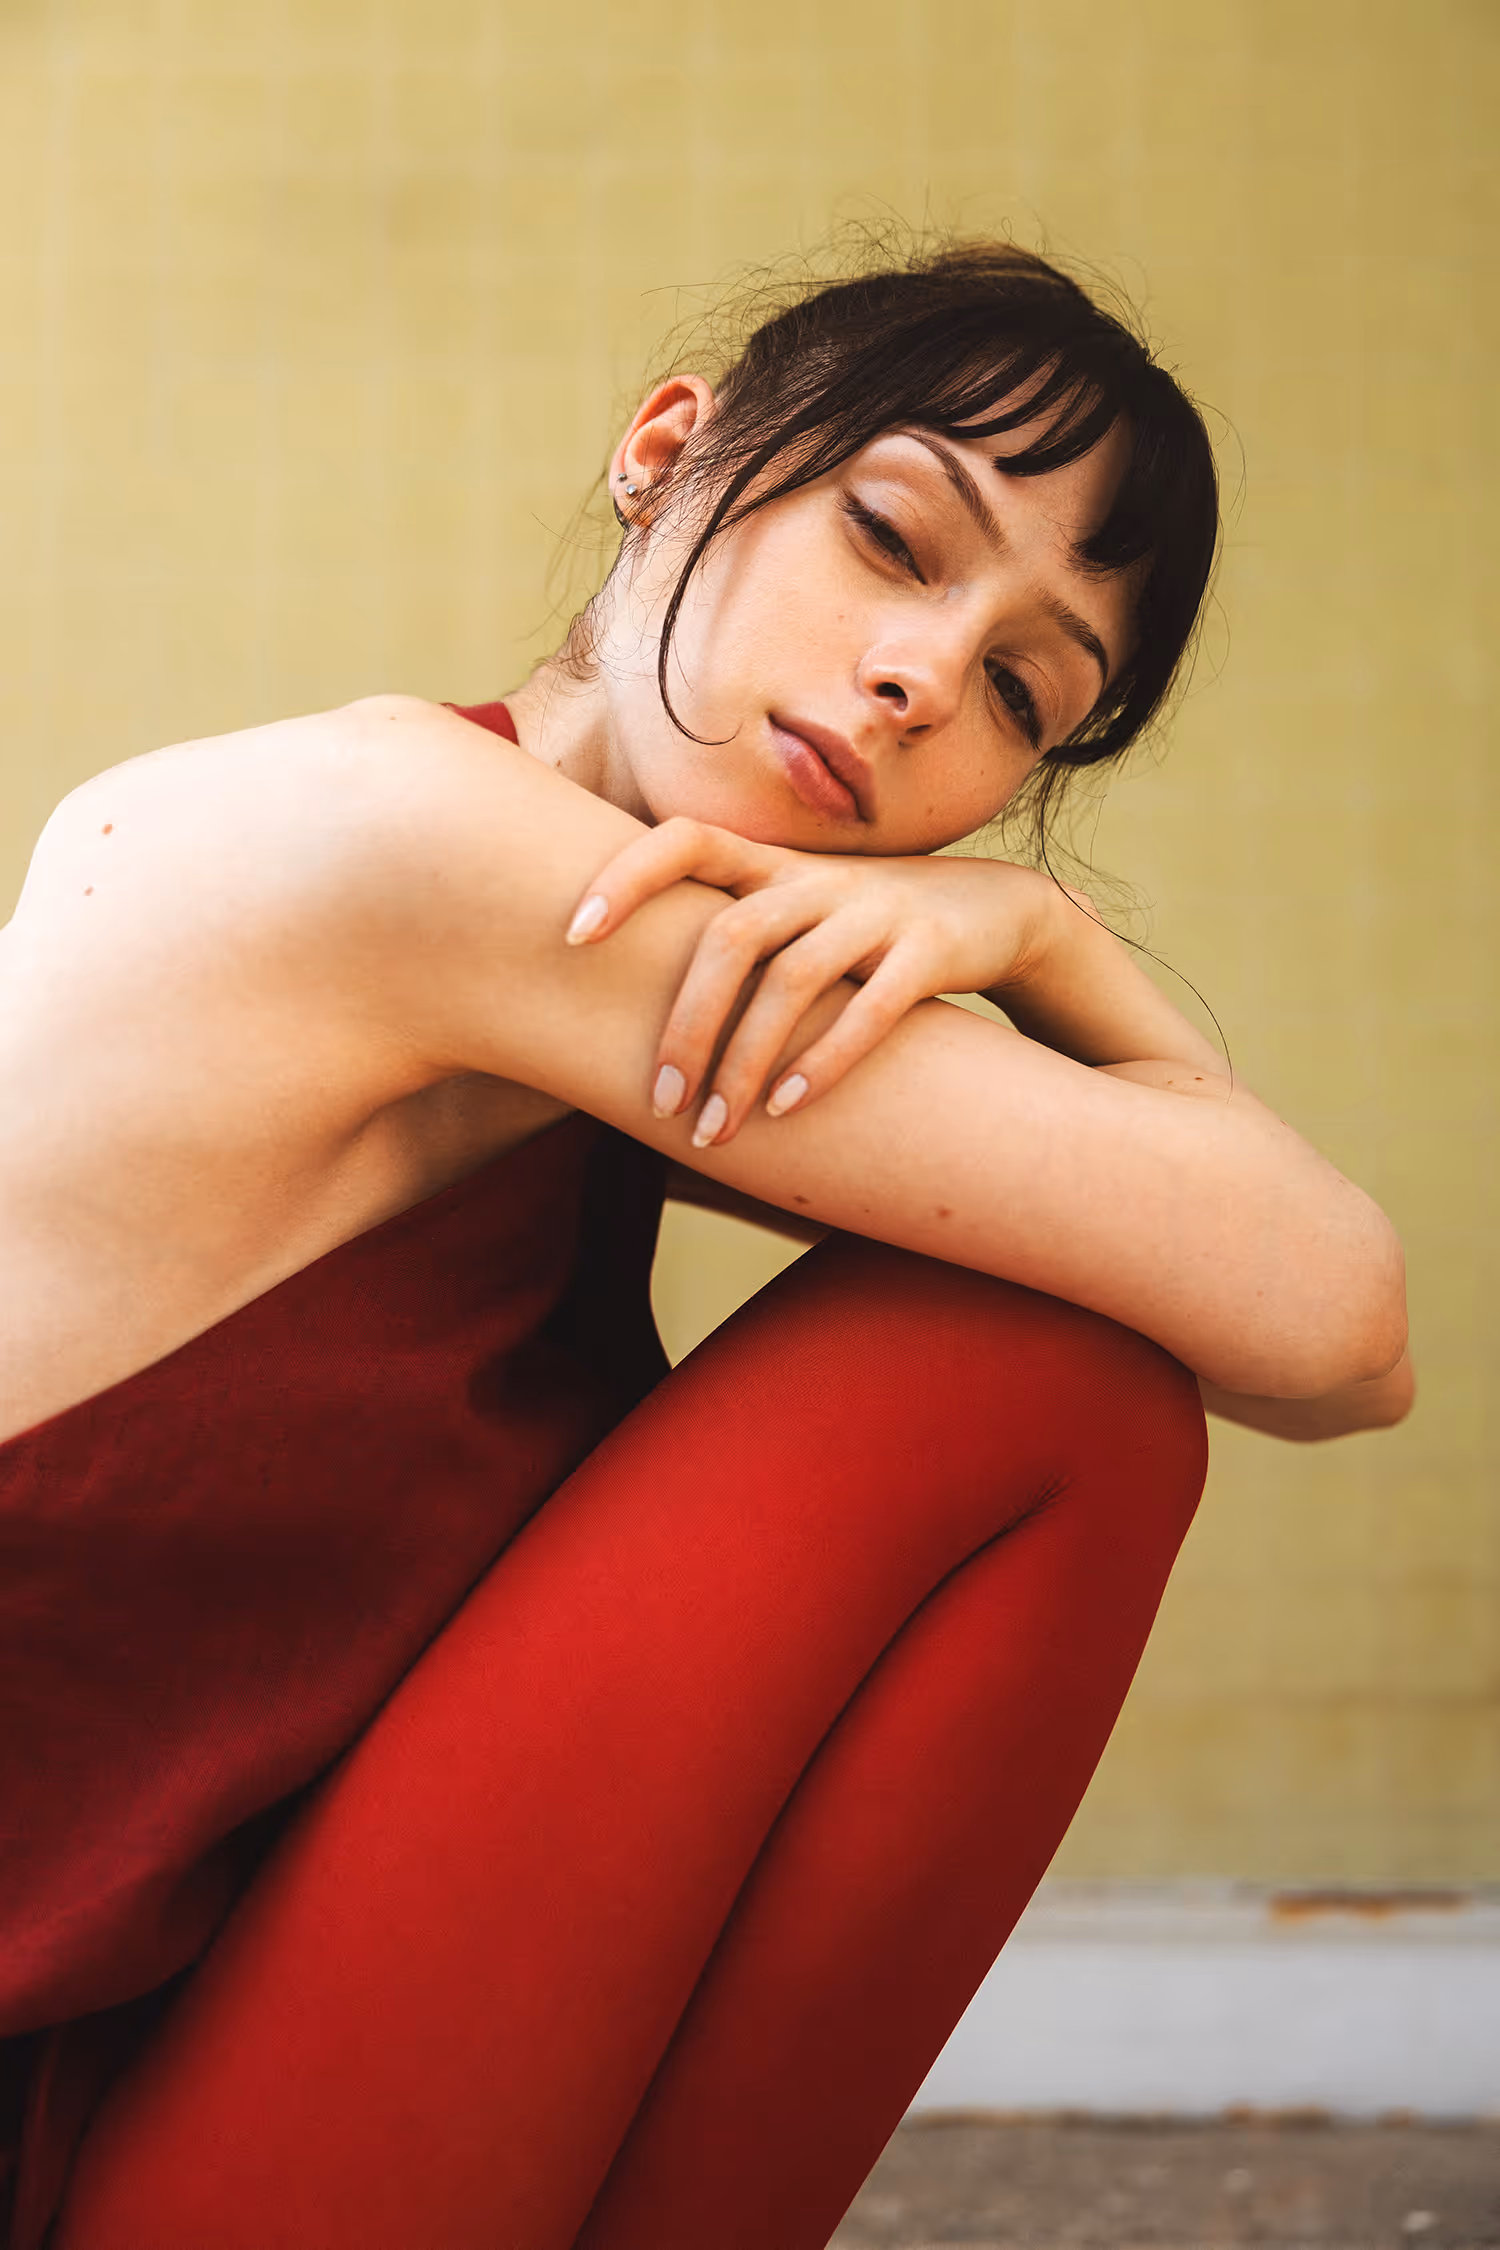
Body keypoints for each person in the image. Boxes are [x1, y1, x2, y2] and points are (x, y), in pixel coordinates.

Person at [0, 240, 1410, 2250]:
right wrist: (1048, 940)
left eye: (1026, 691)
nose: (925, 680)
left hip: (148, 2069)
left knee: (1063, 1347)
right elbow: (1332, 1313)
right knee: (1034, 1376)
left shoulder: (611, 997)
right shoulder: (415, 847)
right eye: (892, 535)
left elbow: (1337, 1355)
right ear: (667, 452)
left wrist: (1031, 925)